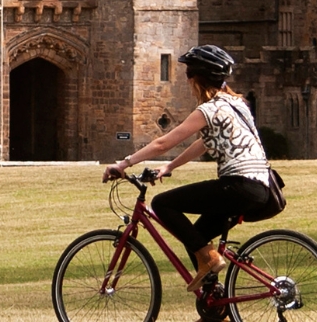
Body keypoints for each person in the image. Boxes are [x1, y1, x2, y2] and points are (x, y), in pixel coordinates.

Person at [104, 45, 271, 292]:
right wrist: (170, 166)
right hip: (261, 188)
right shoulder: (237, 104)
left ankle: (211, 258)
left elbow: (163, 142)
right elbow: (205, 142)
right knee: (196, 237)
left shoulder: (209, 109)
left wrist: (124, 163)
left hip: (238, 186)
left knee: (162, 204)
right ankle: (214, 310)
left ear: (195, 79)